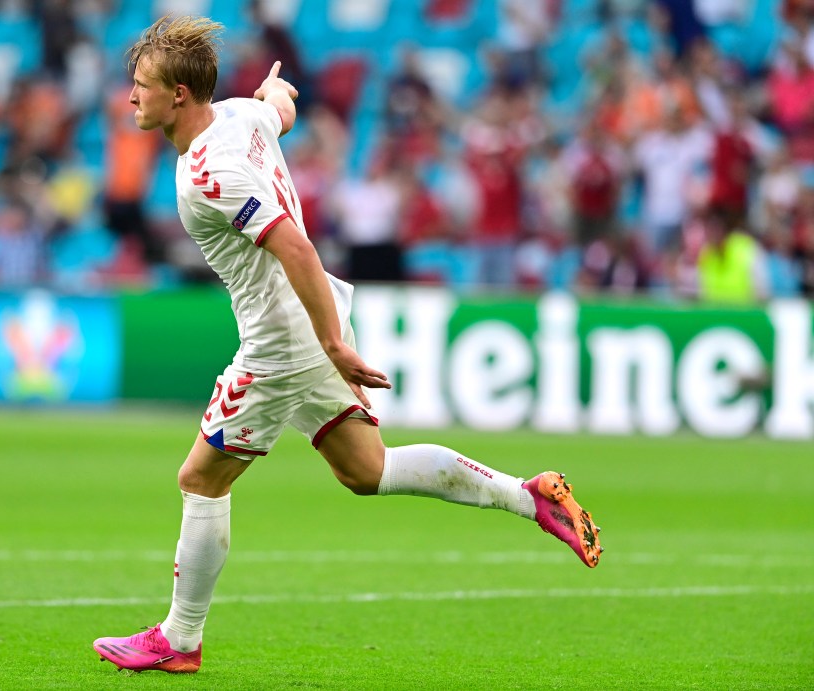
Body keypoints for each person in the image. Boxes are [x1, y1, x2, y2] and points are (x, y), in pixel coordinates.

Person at [93, 15, 603, 675]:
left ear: (181, 96)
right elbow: (277, 110)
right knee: (368, 470)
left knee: (201, 477)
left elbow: (294, 244)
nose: (131, 97)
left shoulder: (209, 172)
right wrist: (280, 98)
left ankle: (179, 638)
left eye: (142, 86)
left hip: (285, 337)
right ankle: (528, 494)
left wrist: (331, 344)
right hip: (314, 314)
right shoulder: (243, 115)